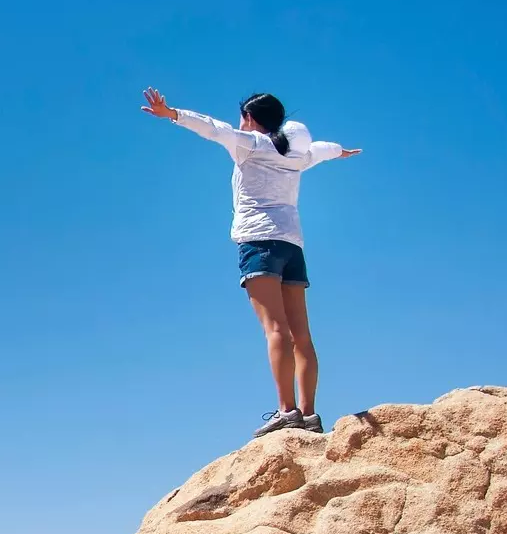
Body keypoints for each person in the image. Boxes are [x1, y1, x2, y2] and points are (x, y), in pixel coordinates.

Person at [141, 87, 361, 436]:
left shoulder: (251, 144)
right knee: (301, 335)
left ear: (249, 119)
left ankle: (286, 412)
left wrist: (172, 114)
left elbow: (213, 128)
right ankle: (309, 414)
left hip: (259, 243)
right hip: (292, 246)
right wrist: (340, 152)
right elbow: (321, 150)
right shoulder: (295, 155)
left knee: (276, 329)